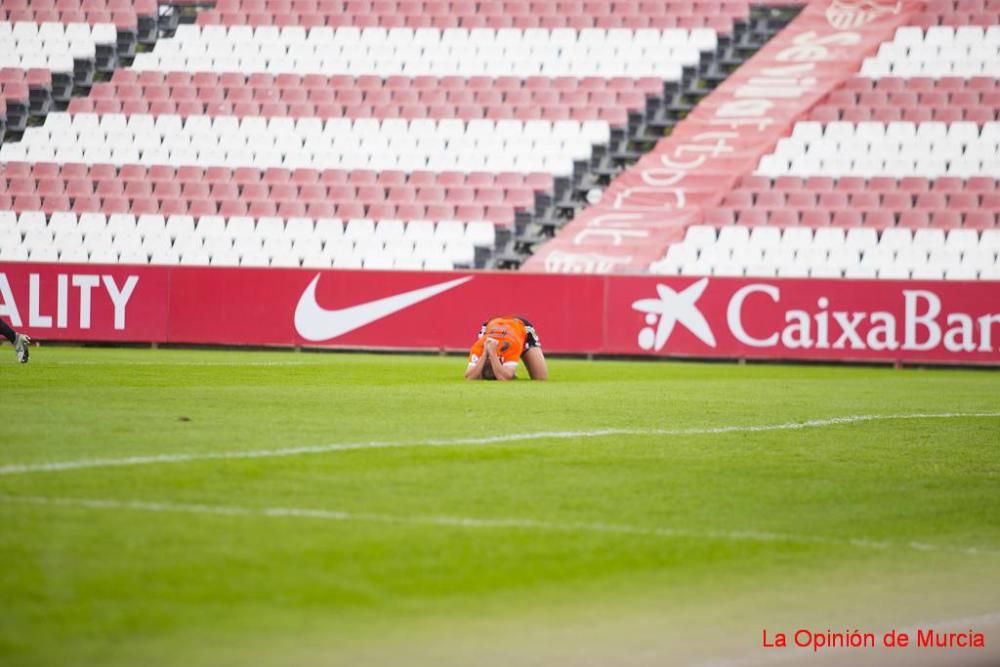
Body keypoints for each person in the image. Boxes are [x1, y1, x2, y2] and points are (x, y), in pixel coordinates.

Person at [465, 316, 548, 381]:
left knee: (541, 378)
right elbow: (469, 377)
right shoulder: (480, 346)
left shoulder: (510, 345)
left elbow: (503, 378)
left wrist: (492, 353)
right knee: (506, 373)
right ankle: (509, 369)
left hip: (520, 327)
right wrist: (484, 354)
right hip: (494, 326)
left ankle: (510, 368)